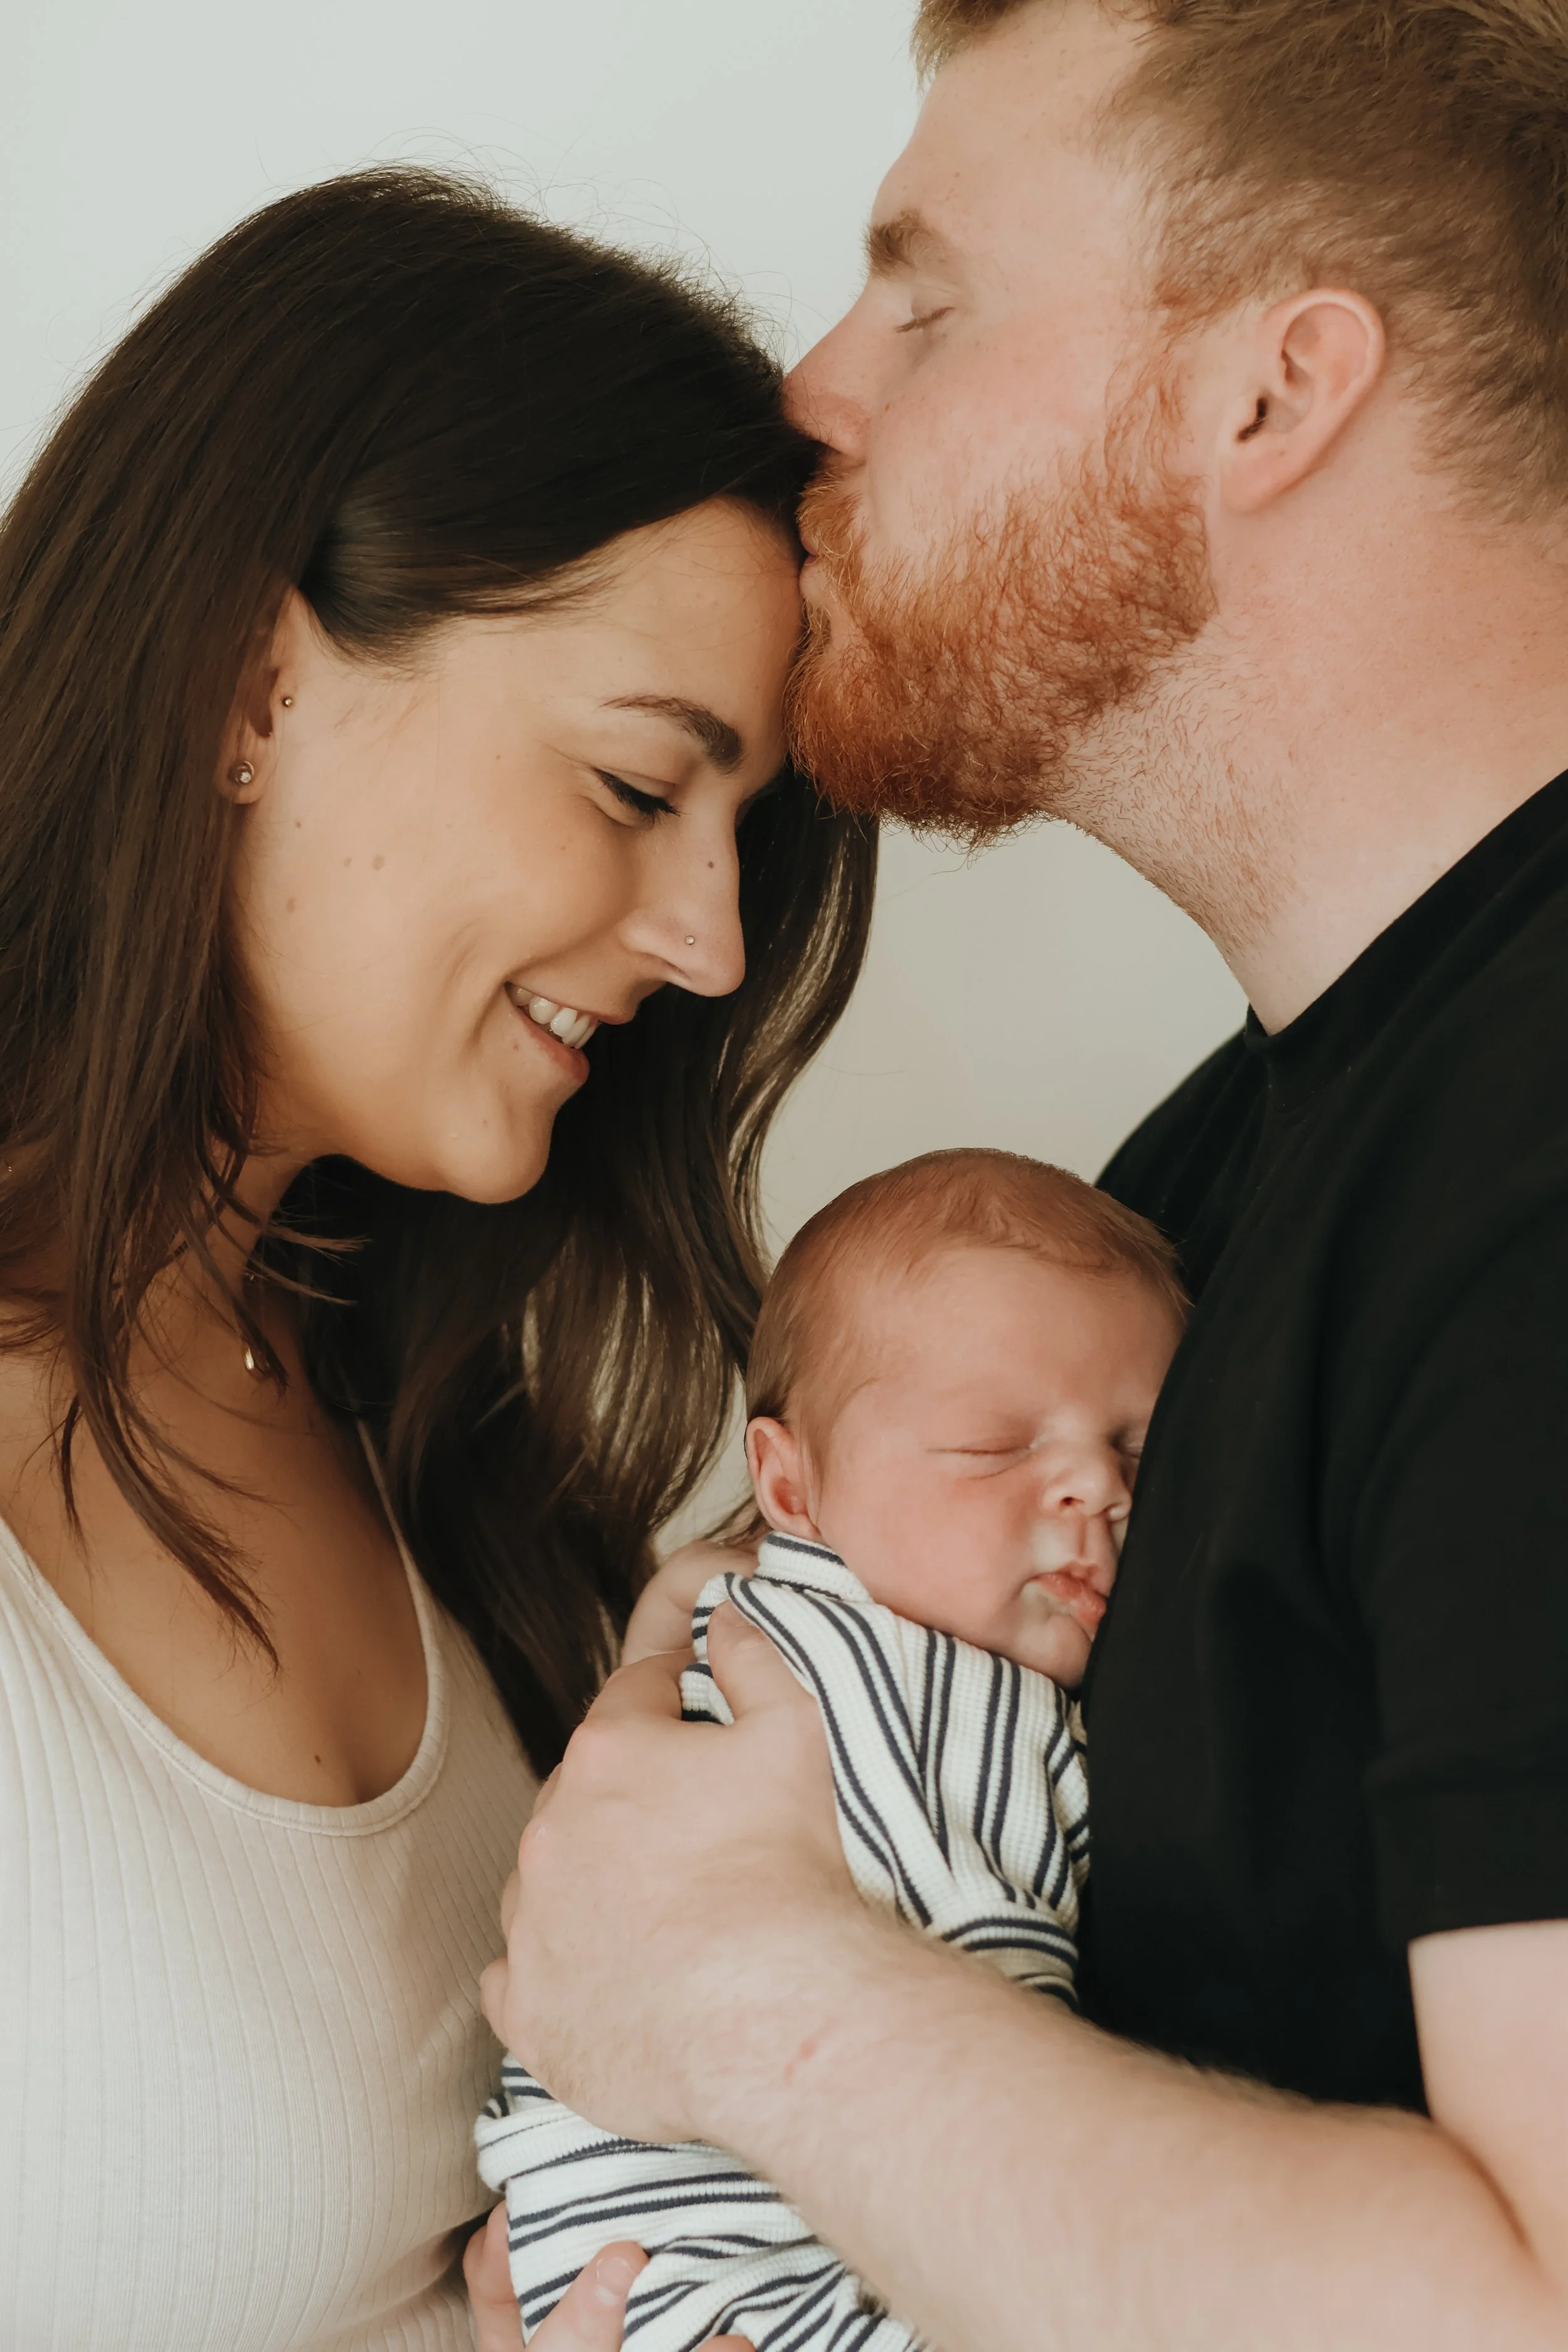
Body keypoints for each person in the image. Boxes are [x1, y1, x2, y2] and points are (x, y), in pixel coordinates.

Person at [478, 3, 1568, 2348]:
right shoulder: (1199, 1186)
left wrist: (744, 2000)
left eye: (927, 296)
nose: (817, 391)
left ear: (1268, 395)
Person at [0, 166, 874, 2352]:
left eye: (739, 833)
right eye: (629, 785)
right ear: (249, 686)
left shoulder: (420, 1445)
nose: (709, 941)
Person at [475, 1151, 1183, 2349]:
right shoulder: (930, 1684)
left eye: (1135, 1446)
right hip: (744, 2256)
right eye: (996, 1446)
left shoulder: (749, 1623)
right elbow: (993, 2042)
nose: (1091, 1486)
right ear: (792, 1485)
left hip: (626, 2247)